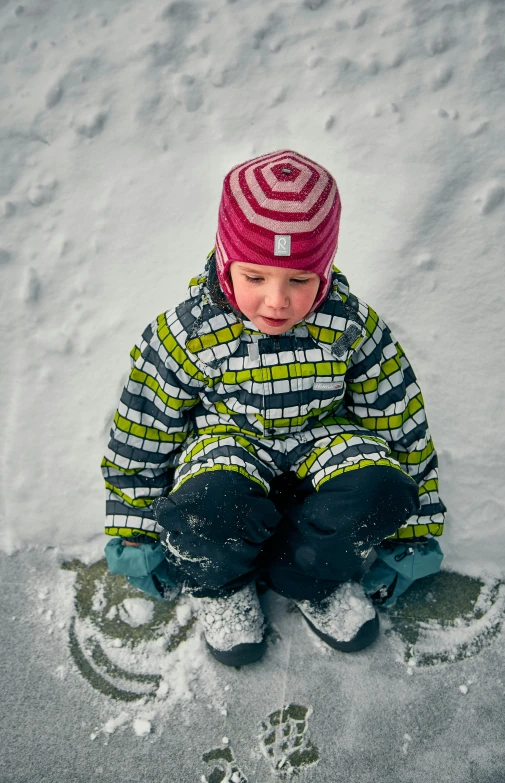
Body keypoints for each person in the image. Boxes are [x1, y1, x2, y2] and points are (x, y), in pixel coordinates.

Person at [102, 150, 446, 666]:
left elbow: (400, 421)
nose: (276, 302)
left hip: (322, 437)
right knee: (207, 504)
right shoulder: (190, 332)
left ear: (324, 272)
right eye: (256, 277)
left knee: (382, 488)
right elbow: (143, 432)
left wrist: (416, 534)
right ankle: (224, 587)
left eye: (299, 280)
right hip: (229, 439)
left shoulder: (350, 327)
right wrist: (133, 530)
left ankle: (309, 576)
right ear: (226, 261)